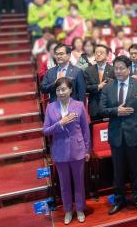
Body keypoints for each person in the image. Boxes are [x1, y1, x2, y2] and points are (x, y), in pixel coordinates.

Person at [100, 55, 137, 214]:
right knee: (118, 170)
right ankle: (119, 199)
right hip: (116, 135)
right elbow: (100, 109)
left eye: (122, 68)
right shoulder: (108, 87)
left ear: (129, 69)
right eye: (116, 68)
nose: (119, 71)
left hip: (135, 134)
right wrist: (116, 111)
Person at [43, 77, 90, 225]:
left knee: (79, 182)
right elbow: (45, 131)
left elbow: (85, 129)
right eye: (58, 90)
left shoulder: (79, 105)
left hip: (78, 149)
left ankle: (80, 208)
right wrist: (60, 124)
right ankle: (68, 210)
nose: (61, 92)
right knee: (64, 184)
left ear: (70, 90)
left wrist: (87, 149)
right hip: (59, 151)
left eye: (64, 89)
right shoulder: (50, 107)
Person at [84, 44, 115, 121]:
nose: (98, 54)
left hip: (109, 106)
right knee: (95, 130)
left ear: (107, 55)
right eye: (96, 52)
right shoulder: (88, 70)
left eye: (101, 52)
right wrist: (98, 86)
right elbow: (85, 88)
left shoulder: (113, 70)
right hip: (95, 107)